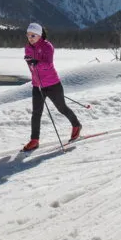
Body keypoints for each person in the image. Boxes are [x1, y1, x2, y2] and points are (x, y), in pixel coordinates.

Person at [22, 23, 82, 152]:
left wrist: (36, 62)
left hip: (53, 84)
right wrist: (31, 63)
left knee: (62, 108)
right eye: (28, 35)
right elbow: (32, 68)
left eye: (33, 35)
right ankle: (34, 140)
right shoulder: (27, 48)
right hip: (37, 86)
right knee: (36, 113)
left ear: (40, 35)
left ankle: (76, 125)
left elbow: (48, 64)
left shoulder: (47, 46)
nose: (30, 38)